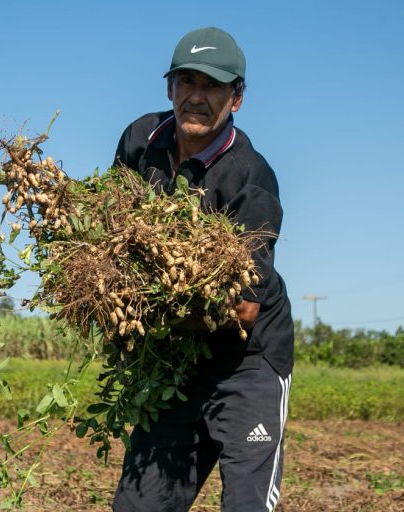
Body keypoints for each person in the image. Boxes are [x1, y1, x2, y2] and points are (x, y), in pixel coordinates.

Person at [111, 27, 294, 512]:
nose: (196, 96)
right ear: (169, 87)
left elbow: (244, 309)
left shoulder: (251, 179)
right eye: (186, 81)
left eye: (212, 86)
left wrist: (146, 312)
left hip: (248, 365)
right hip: (177, 364)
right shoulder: (141, 141)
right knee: (137, 507)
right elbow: (111, 221)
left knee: (245, 506)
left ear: (236, 98)